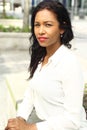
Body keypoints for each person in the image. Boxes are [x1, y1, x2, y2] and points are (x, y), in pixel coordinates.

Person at [5, 0, 87, 130]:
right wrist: (20, 119)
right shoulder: (41, 56)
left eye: (48, 25)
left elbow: (72, 121)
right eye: (37, 25)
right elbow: (31, 93)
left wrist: (29, 127)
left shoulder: (69, 63)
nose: (40, 31)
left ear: (62, 28)